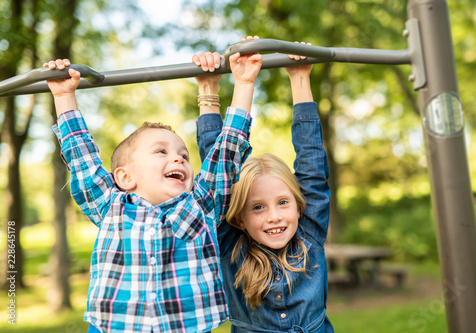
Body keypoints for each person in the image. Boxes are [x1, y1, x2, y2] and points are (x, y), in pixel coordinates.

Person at [45, 48, 261, 333]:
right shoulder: (112, 206)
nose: (178, 159)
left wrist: (244, 83)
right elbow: (80, 155)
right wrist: (63, 96)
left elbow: (228, 152)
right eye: (161, 151)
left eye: (184, 156)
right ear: (125, 176)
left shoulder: (200, 206)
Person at [195, 40, 334, 332]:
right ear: (239, 219)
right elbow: (218, 170)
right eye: (257, 207)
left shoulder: (309, 231)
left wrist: (299, 77)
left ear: (299, 207)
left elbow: (312, 162)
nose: (274, 216)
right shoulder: (230, 244)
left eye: (283, 202)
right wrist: (208, 91)